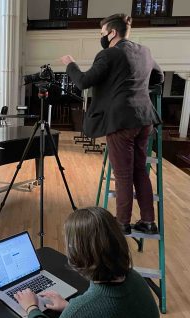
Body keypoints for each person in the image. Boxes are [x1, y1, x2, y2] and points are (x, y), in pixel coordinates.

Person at [60, 14, 164, 235]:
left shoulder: (109, 54)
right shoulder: (144, 51)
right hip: (145, 119)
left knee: (124, 175)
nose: (101, 37)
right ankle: (148, 222)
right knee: (140, 171)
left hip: (121, 122)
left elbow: (83, 82)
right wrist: (136, 87)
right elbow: (159, 77)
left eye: (102, 33)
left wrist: (71, 65)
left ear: (112, 33)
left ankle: (122, 224)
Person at [14, 207, 160, 318]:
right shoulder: (136, 279)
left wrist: (31, 308)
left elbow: (94, 308)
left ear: (78, 253)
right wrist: (69, 306)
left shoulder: (81, 310)